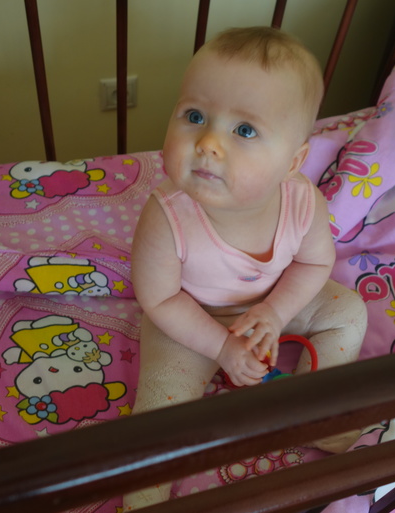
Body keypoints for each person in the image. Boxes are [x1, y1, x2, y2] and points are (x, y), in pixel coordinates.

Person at [125, 26, 367, 509]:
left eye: (245, 130)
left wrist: (276, 313)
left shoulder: (303, 202)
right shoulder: (167, 216)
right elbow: (159, 299)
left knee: (349, 311)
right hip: (191, 318)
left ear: (293, 162)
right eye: (195, 116)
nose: (208, 143)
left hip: (272, 305)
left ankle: (314, 405)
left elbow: (315, 262)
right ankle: (144, 496)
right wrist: (221, 347)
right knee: (159, 403)